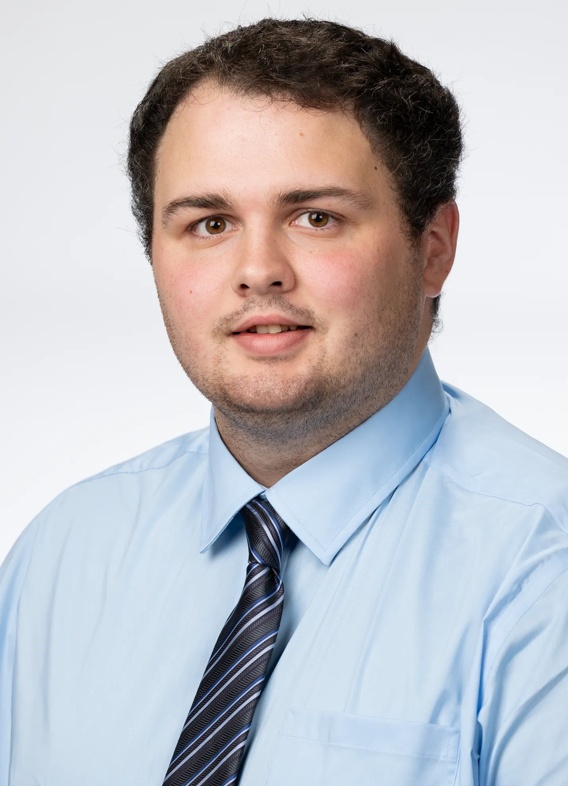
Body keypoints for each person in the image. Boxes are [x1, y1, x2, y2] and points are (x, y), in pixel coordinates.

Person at [1, 17, 567, 786]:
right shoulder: (62, 556)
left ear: (432, 250)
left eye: (315, 217)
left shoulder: (543, 569)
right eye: (209, 223)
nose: (258, 270)